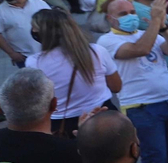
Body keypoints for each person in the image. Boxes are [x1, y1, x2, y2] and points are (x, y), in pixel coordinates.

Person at [94, 0, 168, 163]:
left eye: (132, 12)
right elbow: (140, 49)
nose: (130, 16)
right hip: (142, 107)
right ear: (110, 19)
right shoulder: (107, 41)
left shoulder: (148, 33)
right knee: (155, 157)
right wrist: (155, 21)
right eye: (123, 14)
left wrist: (163, 28)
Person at [29, 8, 122, 136]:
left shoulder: (35, 62)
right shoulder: (96, 51)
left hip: (63, 124)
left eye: (34, 27)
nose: (33, 31)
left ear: (44, 33)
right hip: (104, 115)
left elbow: (39, 100)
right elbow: (116, 87)